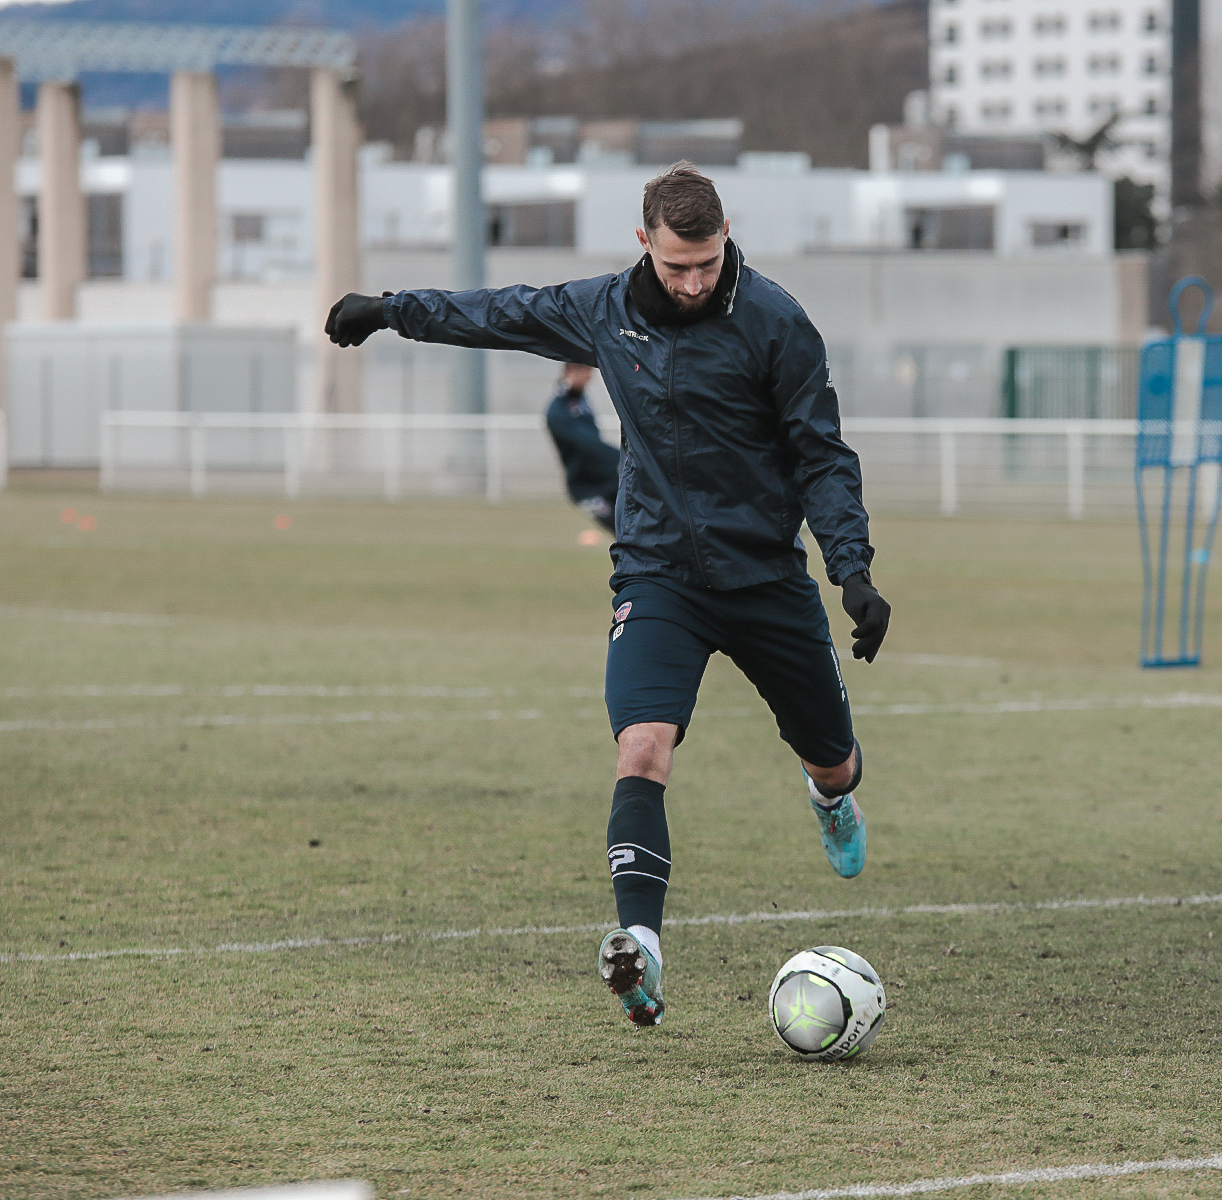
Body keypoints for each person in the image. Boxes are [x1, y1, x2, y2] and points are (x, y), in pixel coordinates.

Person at [325, 162, 891, 1028]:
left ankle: (830, 798)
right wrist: (390, 309)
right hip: (659, 575)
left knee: (833, 758)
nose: (693, 283)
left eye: (707, 263)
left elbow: (821, 454)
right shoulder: (605, 309)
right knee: (642, 750)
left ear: (726, 236)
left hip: (766, 580)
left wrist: (852, 571)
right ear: (643, 243)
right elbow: (498, 313)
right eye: (676, 266)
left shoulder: (776, 321)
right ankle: (642, 947)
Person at [544, 363, 620, 533]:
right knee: (622, 530)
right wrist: (622, 457)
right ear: (572, 372)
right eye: (587, 372)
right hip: (586, 487)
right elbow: (589, 445)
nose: (590, 377)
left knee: (634, 530)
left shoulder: (580, 400)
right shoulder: (558, 411)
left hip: (609, 478)